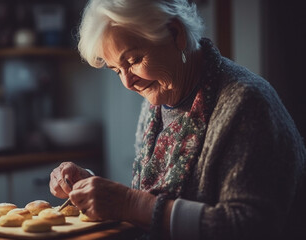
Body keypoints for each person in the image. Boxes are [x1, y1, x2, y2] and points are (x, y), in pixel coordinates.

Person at [49, 0, 306, 239]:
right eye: (116, 69)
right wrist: (89, 188)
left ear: (176, 33)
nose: (127, 82)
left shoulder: (247, 103)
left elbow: (250, 226)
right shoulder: (157, 104)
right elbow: (158, 201)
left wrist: (129, 203)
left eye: (134, 60)